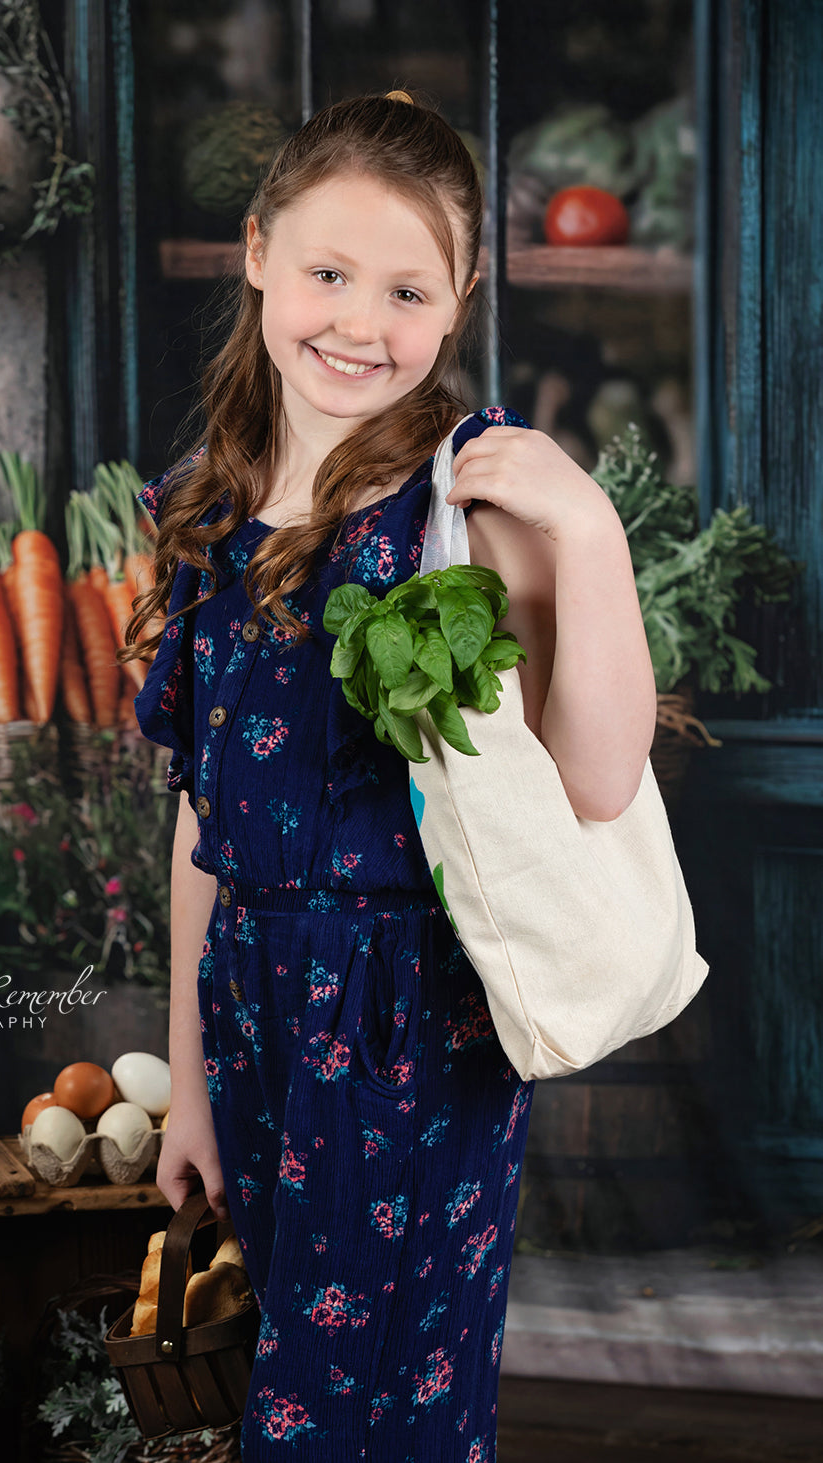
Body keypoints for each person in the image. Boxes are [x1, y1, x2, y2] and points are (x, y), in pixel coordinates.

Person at [123, 90, 656, 1462]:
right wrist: (189, 1078)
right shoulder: (203, 506)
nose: (359, 323)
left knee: (380, 1416)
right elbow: (201, 820)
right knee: (292, 1384)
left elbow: (598, 777)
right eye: (326, 273)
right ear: (255, 254)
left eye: (406, 288)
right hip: (250, 1004)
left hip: (407, 1015)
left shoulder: (466, 500)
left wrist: (587, 535)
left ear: (461, 295)